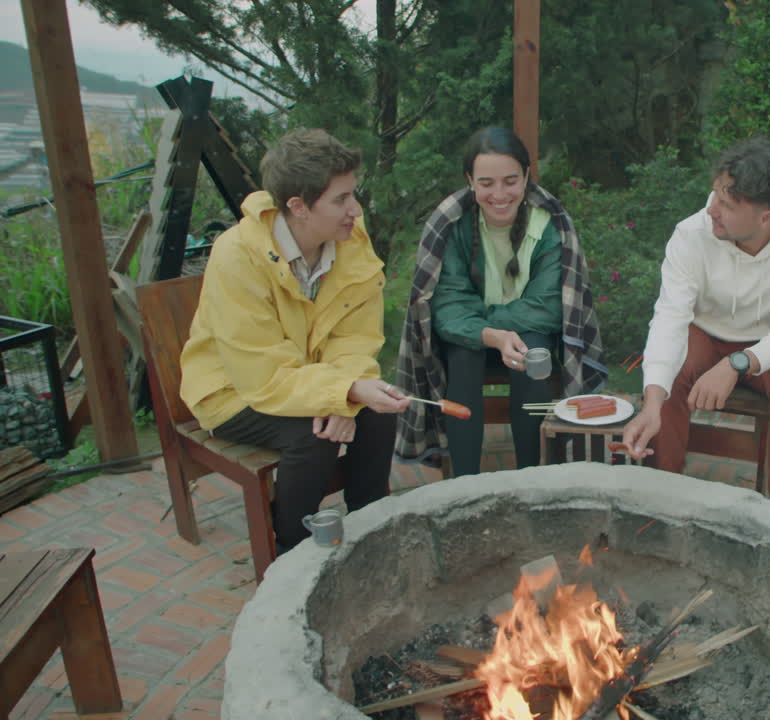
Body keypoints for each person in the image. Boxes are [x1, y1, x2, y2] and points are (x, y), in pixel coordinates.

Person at [179, 128, 410, 552]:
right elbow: (263, 375)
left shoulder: (350, 240)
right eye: (341, 199)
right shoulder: (237, 255)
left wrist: (347, 395)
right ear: (298, 206)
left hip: (310, 377)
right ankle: (293, 553)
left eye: (353, 194)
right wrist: (342, 392)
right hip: (234, 390)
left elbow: (355, 337)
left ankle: (371, 532)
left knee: (378, 413)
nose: (355, 210)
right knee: (313, 436)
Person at [621, 138, 770, 511]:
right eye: (715, 194)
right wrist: (652, 401)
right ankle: (659, 501)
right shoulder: (691, 233)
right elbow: (670, 316)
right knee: (669, 376)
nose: (711, 210)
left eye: (727, 205)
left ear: (767, 218)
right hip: (704, 333)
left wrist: (736, 363)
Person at [396, 127, 607, 474]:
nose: (499, 195)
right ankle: (464, 483)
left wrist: (483, 321)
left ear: (526, 176)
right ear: (470, 181)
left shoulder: (550, 224)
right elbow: (446, 307)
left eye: (510, 181)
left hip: (526, 333)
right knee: (463, 356)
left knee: (533, 353)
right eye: (486, 183)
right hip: (471, 339)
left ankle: (531, 475)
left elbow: (549, 306)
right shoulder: (452, 223)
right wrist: (489, 334)